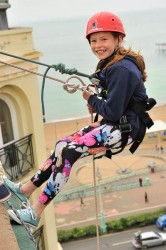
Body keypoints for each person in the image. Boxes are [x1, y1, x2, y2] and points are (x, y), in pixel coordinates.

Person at [4, 11, 155, 228]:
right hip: (114, 124)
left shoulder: (120, 68)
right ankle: (25, 190)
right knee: (61, 144)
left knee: (68, 152)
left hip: (124, 128)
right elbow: (114, 103)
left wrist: (92, 98)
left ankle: (35, 213)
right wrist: (96, 99)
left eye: (104, 39)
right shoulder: (112, 62)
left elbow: (112, 111)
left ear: (118, 39)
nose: (98, 45)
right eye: (93, 40)